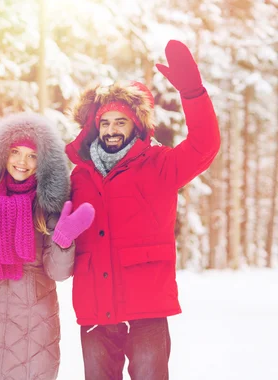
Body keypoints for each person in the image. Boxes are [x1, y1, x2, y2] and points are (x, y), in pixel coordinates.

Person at [64, 40, 221, 379]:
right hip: (95, 311)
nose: (111, 130)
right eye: (105, 123)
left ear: (136, 125)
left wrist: (193, 94)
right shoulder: (79, 176)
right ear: (95, 127)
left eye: (120, 122)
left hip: (146, 308)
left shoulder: (160, 164)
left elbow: (204, 146)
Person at [0, 113, 95, 379]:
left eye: (32, 155)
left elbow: (57, 273)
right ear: (1, 154)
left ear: (43, 162)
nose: (22, 162)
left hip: (34, 325)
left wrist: (63, 241)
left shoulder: (47, 206)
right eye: (15, 152)